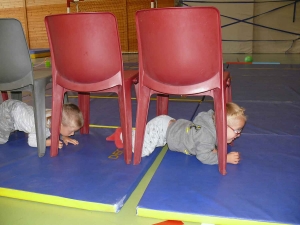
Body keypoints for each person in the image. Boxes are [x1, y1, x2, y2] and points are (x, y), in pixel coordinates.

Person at [106, 102, 247, 165]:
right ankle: (123, 135)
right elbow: (203, 157)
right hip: (161, 130)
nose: (238, 134)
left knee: (151, 142)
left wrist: (215, 149)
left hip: (168, 126)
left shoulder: (211, 121)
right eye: (236, 130)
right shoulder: (206, 136)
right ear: (222, 126)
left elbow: (207, 143)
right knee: (143, 150)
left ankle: (137, 134)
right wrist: (224, 159)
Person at [0, 99, 84, 149]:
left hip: (17, 107)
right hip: (8, 113)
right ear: (60, 125)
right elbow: (32, 142)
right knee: (2, 140)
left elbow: (58, 128)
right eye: (71, 131)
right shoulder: (39, 126)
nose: (72, 134)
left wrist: (64, 136)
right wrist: (49, 143)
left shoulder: (54, 116)